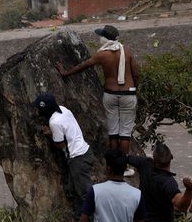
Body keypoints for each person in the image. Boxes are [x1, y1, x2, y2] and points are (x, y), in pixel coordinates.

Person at [56, 24, 141, 158]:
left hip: (110, 95)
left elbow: (83, 66)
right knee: (125, 133)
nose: (100, 38)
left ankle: (113, 162)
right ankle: (124, 165)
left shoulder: (102, 55)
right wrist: (134, 89)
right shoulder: (127, 51)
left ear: (105, 39)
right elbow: (136, 73)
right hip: (128, 94)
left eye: (101, 36)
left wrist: (66, 73)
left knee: (113, 132)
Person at [34, 93, 94, 222]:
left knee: (84, 193)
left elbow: (60, 144)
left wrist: (51, 135)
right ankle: (80, 219)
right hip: (84, 151)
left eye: (38, 109)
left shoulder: (54, 122)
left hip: (78, 158)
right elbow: (67, 128)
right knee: (73, 189)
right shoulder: (63, 109)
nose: (36, 111)